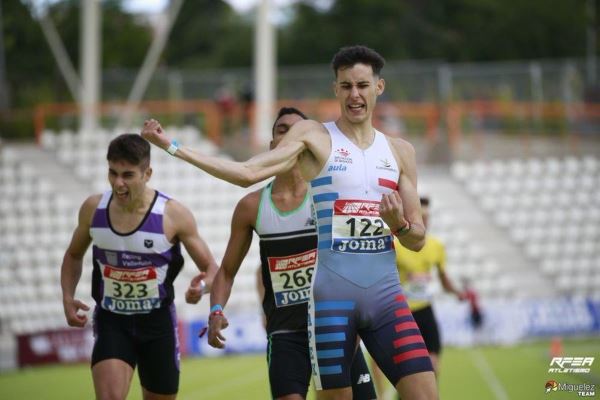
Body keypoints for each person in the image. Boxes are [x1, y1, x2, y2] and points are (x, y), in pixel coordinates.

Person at [142, 45, 438, 400]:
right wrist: (173, 147)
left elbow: (417, 239)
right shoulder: (314, 136)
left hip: (387, 299)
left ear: (379, 87)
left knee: (426, 394)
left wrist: (398, 225)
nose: (354, 95)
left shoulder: (400, 151)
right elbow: (247, 173)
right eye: (346, 86)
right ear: (335, 89)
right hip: (331, 305)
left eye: (362, 85)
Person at [206, 106, 377, 400]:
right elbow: (226, 272)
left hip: (335, 327)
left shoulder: (329, 194)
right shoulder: (251, 207)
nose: (290, 136)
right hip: (285, 333)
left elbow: (357, 260)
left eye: (299, 130)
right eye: (282, 130)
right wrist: (216, 311)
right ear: (272, 145)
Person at [60, 133, 219, 400]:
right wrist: (67, 297)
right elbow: (73, 255)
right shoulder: (93, 209)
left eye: (128, 175)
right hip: (112, 320)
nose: (118, 183)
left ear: (147, 174)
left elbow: (213, 269)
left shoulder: (173, 214)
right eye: (112, 173)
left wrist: (201, 288)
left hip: (157, 324)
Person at [370, 197, 464, 396]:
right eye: (422, 215)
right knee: (384, 363)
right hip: (401, 311)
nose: (426, 219)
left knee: (434, 365)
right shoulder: (394, 244)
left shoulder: (436, 246)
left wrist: (457, 293)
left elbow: (443, 278)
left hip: (425, 310)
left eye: (428, 216)